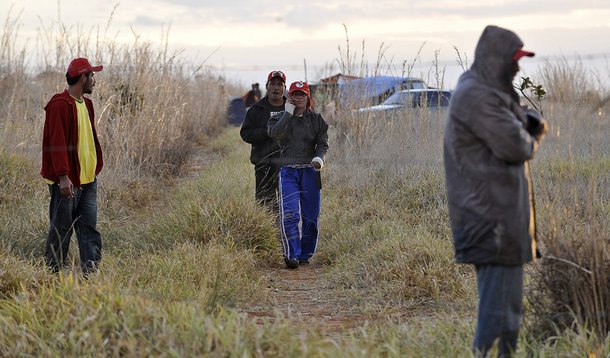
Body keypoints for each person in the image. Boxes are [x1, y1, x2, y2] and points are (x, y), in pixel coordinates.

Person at [443, 25, 548, 357]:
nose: (517, 68)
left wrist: (521, 122)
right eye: (512, 60)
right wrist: (534, 130)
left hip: (494, 217)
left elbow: (513, 127)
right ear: (496, 60)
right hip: (493, 222)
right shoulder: (478, 95)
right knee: (499, 315)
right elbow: (517, 146)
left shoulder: (485, 90)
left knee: (505, 314)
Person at [41, 57, 105, 275]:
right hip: (68, 180)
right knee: (61, 231)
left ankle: (92, 276)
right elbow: (56, 143)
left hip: (88, 179)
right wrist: (63, 176)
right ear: (83, 78)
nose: (95, 80)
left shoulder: (87, 104)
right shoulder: (59, 105)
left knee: (89, 230)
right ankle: (52, 276)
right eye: (92, 76)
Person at [268, 81, 329, 269]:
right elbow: (274, 134)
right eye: (295, 94)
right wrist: (287, 113)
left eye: (302, 94)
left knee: (311, 216)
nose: (299, 98)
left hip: (310, 171)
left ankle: (305, 254)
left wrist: (319, 158)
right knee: (290, 214)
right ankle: (291, 255)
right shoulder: (279, 117)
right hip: (288, 172)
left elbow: (322, 144)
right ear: (290, 97)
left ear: (308, 97)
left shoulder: (317, 120)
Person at [240, 71, 286, 211]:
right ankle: (266, 232)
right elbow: (245, 134)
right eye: (272, 84)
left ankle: (286, 232)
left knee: (287, 202)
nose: (276, 88)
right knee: (265, 204)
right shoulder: (256, 109)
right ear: (267, 86)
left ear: (284, 87)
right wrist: (268, 132)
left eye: (279, 84)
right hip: (263, 163)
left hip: (287, 164)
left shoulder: (292, 109)